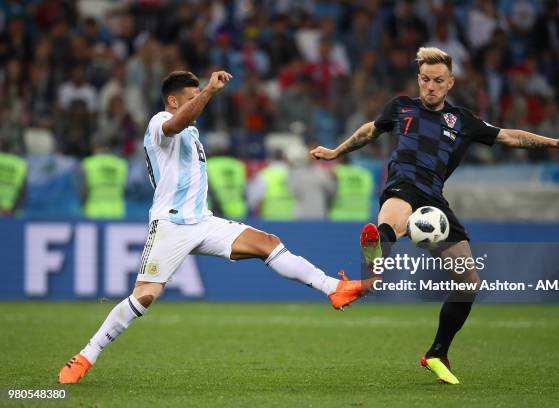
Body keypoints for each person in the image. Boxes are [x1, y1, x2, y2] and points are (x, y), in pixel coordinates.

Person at [58, 70, 377, 384]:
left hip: (203, 221)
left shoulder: (194, 134)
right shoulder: (159, 122)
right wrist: (209, 91)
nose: (198, 101)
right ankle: (86, 355)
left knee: (267, 242)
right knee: (145, 296)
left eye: (198, 95)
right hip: (170, 223)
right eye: (191, 97)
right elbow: (176, 123)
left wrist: (204, 96)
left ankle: (333, 289)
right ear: (173, 100)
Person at [310, 47, 559, 384]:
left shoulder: (462, 121)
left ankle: (437, 352)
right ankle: (373, 264)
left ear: (450, 83)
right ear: (418, 79)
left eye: (438, 81)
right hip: (403, 185)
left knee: (468, 283)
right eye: (425, 79)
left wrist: (553, 142)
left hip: (435, 201)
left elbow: (509, 136)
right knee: (391, 219)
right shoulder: (401, 107)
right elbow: (369, 131)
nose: (430, 86)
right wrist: (336, 151)